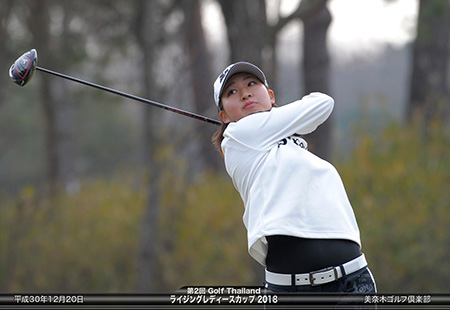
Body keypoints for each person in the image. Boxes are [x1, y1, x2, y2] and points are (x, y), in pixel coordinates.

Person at [211, 61, 376, 293]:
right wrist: (270, 111)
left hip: (352, 280)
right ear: (224, 116)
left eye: (251, 84)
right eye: (232, 92)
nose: (245, 93)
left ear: (270, 94)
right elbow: (321, 103)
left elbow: (322, 105)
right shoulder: (238, 136)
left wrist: (274, 116)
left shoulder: (295, 147)